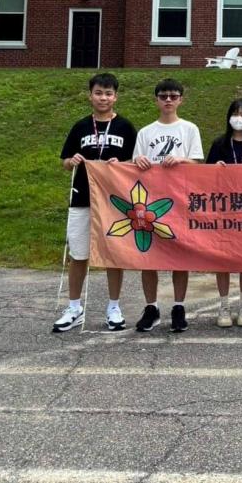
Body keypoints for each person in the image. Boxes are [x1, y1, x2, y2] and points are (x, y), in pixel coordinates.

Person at [53, 72, 136, 332]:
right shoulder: (80, 126)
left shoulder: (125, 127)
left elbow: (135, 163)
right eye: (98, 93)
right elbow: (65, 161)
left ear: (116, 97)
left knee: (114, 254)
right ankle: (74, 307)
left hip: (115, 201)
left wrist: (121, 164)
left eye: (108, 93)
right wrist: (73, 161)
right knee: (78, 254)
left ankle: (114, 307)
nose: (103, 98)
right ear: (90, 95)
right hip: (82, 198)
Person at [133, 79, 203, 333]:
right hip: (151, 200)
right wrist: (139, 160)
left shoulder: (189, 129)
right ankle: (151, 308)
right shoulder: (145, 132)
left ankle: (178, 306)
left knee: (179, 255)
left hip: (180, 200)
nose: (168, 100)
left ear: (181, 99)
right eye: (163, 96)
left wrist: (182, 160)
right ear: (156, 100)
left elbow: (198, 163)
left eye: (173, 96)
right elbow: (133, 165)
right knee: (148, 256)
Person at [206, 98, 242, 328]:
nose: (239, 118)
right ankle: (224, 305)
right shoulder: (219, 144)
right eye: (235, 113)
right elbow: (204, 177)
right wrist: (215, 170)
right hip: (223, 211)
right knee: (222, 259)